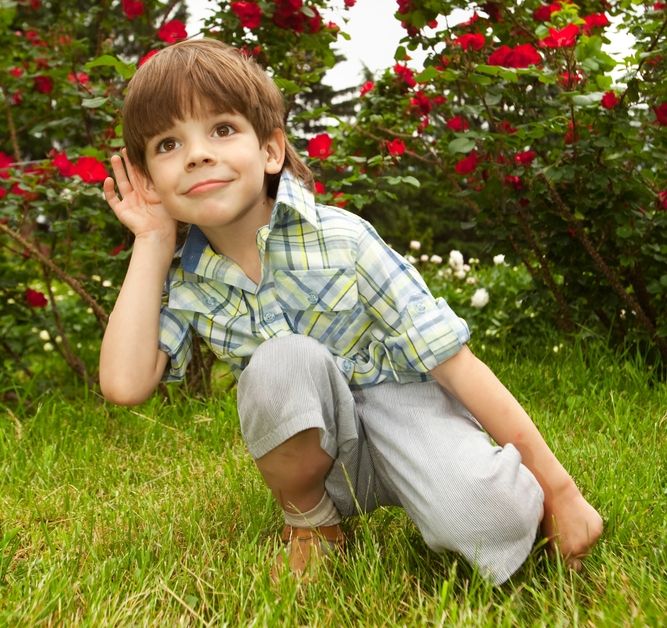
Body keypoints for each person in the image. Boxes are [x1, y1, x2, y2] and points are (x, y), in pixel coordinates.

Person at [99, 38, 602, 585]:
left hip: (411, 416)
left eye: (222, 129)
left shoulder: (341, 239)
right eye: (169, 144)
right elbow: (125, 385)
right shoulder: (185, 279)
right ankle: (314, 522)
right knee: (279, 362)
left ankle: (468, 485)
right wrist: (152, 240)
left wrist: (559, 489)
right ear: (148, 180)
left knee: (494, 521)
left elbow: (454, 362)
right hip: (323, 457)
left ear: (270, 150)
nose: (197, 154)